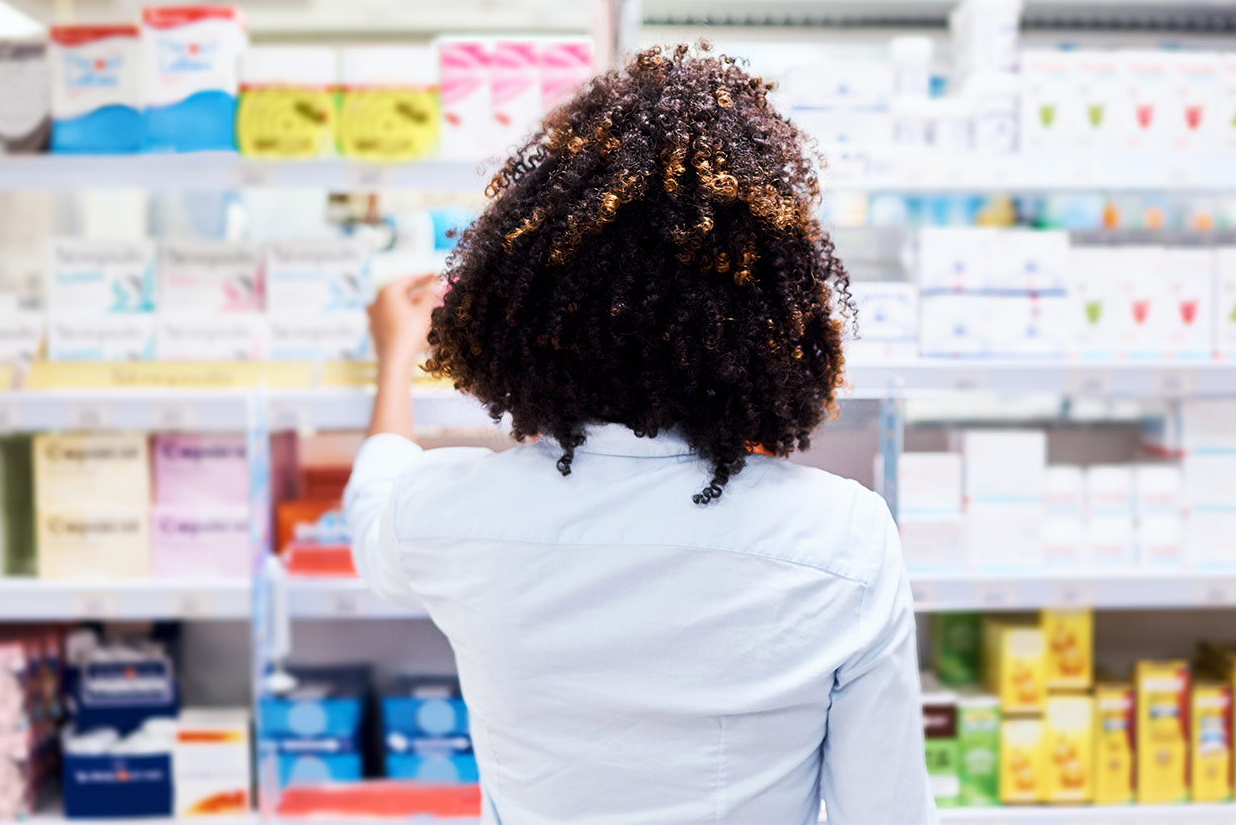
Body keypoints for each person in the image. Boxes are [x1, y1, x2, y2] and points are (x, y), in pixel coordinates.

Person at [343, 43, 932, 824]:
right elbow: (885, 811)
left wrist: (395, 356)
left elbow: (373, 500)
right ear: (766, 316)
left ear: (529, 299)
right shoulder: (842, 538)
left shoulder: (450, 514)